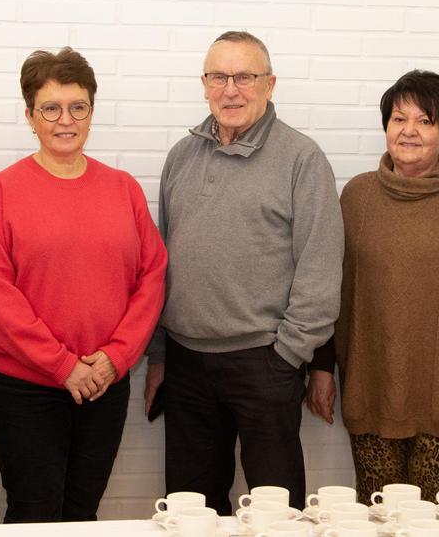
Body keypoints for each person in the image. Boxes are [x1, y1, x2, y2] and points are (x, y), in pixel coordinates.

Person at [143, 31, 343, 515]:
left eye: (244, 77)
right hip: (187, 365)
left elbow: (320, 269)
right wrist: (160, 355)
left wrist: (288, 355)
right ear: (204, 84)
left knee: (276, 512)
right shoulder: (181, 157)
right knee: (191, 510)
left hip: (264, 363)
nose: (230, 90)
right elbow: (162, 266)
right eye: (218, 77)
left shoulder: (302, 159)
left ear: (269, 84)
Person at [0, 47, 167, 523]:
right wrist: (62, 365)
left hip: (103, 382)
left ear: (92, 112)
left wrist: (117, 357)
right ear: (30, 117)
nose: (66, 120)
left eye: (78, 107)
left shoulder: (123, 188)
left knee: (82, 513)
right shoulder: (2, 191)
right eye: (51, 108)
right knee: (35, 514)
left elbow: (152, 276)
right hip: (24, 387)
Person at [306, 70, 439, 503]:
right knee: (378, 512)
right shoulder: (357, 197)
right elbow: (331, 292)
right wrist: (321, 368)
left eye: (425, 120)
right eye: (398, 118)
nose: (409, 131)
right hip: (372, 386)